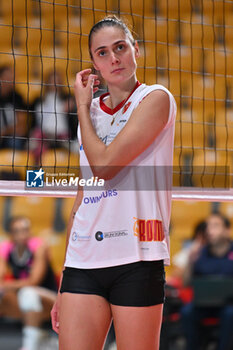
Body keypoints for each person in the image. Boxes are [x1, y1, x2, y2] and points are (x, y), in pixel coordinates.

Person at [51, 15, 176, 350]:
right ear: (94, 63)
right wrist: (65, 274)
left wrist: (79, 105)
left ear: (135, 49)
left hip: (136, 255)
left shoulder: (155, 98)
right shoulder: (90, 113)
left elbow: (106, 167)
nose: (114, 58)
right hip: (84, 259)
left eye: (120, 47)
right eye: (102, 53)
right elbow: (85, 190)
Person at [0, 216, 57, 350]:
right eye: (17, 231)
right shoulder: (6, 248)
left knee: (28, 293)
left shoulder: (39, 246)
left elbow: (33, 281)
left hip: (50, 297)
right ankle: (40, 335)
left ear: (30, 231)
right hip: (26, 302)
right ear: (11, 234)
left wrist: (6, 285)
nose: (22, 235)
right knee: (7, 297)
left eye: (25, 230)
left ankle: (30, 345)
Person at [181, 212, 233, 350]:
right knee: (187, 312)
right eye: (208, 226)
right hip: (203, 304)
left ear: (227, 230)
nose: (210, 230)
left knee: (230, 314)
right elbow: (185, 282)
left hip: (229, 304)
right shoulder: (200, 253)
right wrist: (190, 260)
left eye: (215, 226)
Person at [30, 70, 77, 163]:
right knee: (35, 150)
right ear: (48, 83)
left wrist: (71, 108)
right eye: (53, 81)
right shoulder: (39, 100)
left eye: (58, 82)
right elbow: (36, 120)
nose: (55, 84)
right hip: (43, 135)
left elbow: (73, 122)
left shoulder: (68, 99)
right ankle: (36, 175)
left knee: (75, 151)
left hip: (63, 136)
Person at [0, 65, 28, 150]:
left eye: (12, 77)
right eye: (7, 77)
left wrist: (4, 132)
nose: (10, 80)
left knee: (15, 142)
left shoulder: (17, 97)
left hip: (11, 136)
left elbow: (21, 127)